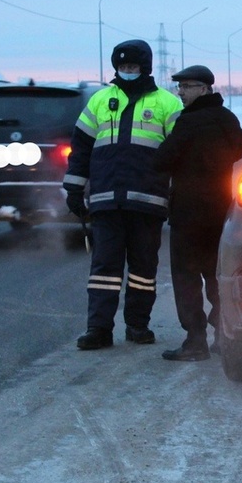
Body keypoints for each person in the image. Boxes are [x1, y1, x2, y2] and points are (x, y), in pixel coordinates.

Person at [64, 40, 183, 350]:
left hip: (148, 202)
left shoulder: (167, 104)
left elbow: (182, 153)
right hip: (106, 201)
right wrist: (74, 188)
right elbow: (81, 149)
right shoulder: (101, 101)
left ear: (145, 68)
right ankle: (99, 329)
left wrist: (179, 194)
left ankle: (137, 325)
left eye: (133, 67)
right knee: (104, 268)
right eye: (123, 67)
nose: (128, 72)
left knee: (143, 269)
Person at [155, 65, 242, 362]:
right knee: (217, 275)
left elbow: (162, 159)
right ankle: (223, 334)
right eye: (180, 87)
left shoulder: (189, 121)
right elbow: (238, 150)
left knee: (186, 276)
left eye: (186, 87)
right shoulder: (227, 119)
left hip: (188, 213)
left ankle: (195, 341)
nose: (180, 92)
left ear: (204, 89)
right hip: (221, 210)